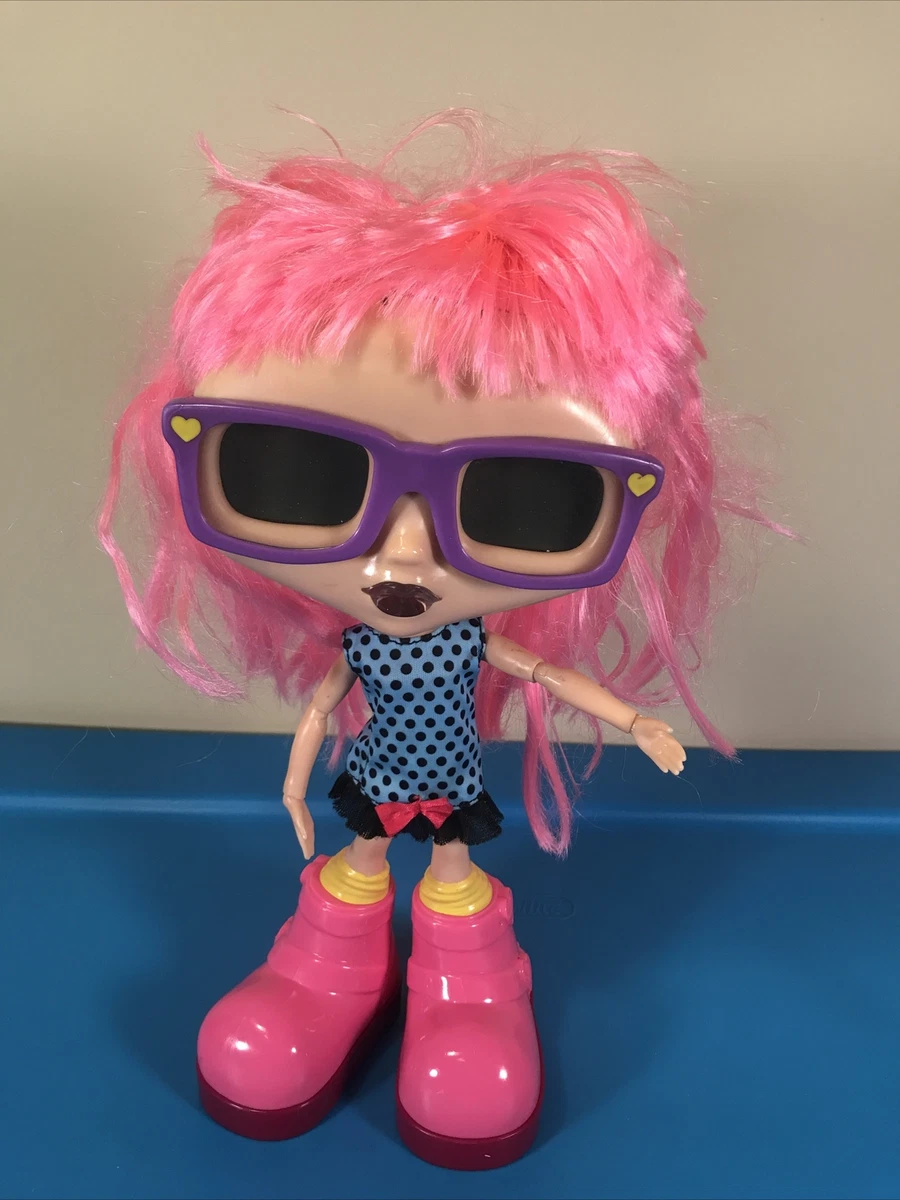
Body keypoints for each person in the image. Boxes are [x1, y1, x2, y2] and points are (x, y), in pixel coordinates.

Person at [100, 110, 774, 1169]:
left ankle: (466, 983)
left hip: (448, 780)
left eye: (524, 496)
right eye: (298, 473)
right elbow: (323, 711)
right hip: (379, 779)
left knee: (453, 872)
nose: (402, 555)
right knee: (362, 861)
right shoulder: (364, 649)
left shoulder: (465, 646)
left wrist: (636, 718)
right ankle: (333, 963)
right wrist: (295, 790)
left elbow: (538, 669)